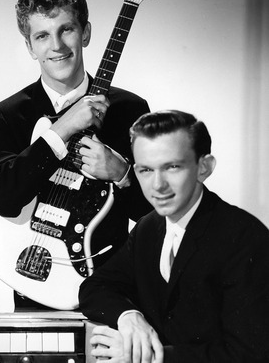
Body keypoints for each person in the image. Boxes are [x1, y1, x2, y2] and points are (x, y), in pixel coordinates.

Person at [0, 0, 152, 307]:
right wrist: (62, 130)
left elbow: (153, 215)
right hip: (34, 278)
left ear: (85, 33)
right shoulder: (9, 114)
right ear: (30, 46)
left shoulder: (130, 109)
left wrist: (123, 175)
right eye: (42, 36)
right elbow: (1, 198)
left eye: (66, 30)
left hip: (110, 288)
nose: (56, 46)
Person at [79, 110, 269, 362]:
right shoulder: (149, 227)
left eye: (172, 167)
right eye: (145, 170)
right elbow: (95, 286)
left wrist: (147, 356)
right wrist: (129, 317)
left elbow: (250, 354)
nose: (157, 185)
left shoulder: (246, 238)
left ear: (204, 167)